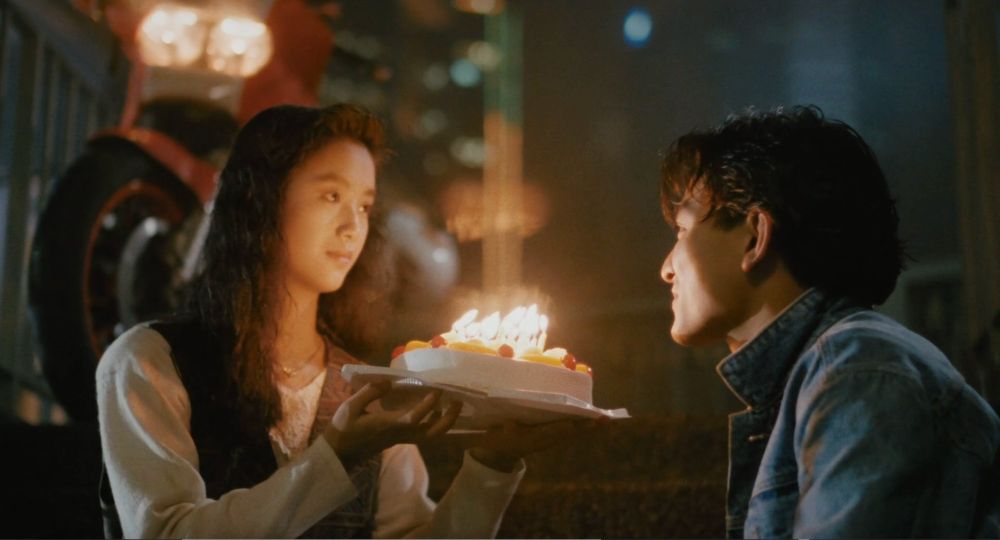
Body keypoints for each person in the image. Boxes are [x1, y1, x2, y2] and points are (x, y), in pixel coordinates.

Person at [96, 103, 568, 538]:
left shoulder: (368, 390)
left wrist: (491, 464)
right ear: (262, 199)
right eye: (330, 195)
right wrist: (338, 455)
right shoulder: (152, 362)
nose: (352, 226)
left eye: (364, 205)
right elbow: (168, 532)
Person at [658, 105, 1000, 538]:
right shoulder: (829, 375)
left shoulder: (859, 369)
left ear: (754, 236)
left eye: (683, 231)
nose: (666, 269)